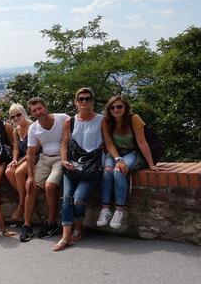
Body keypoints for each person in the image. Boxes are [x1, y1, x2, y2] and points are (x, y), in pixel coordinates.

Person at [97, 95, 161, 230]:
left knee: (119, 172)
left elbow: (142, 143)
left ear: (125, 107)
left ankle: (119, 210)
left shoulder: (134, 119)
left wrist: (151, 164)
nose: (116, 110)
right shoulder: (107, 121)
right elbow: (109, 144)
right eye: (112, 107)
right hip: (114, 153)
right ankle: (105, 209)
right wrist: (118, 159)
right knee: (106, 172)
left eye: (119, 106)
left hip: (131, 152)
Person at [53, 88, 104, 251]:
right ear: (76, 102)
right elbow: (64, 144)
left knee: (78, 199)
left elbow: (109, 142)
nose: (84, 102)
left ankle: (79, 227)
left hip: (91, 167)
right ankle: (66, 235)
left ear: (92, 101)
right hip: (73, 165)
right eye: (81, 99)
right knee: (66, 198)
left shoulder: (101, 120)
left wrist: (115, 159)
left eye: (87, 99)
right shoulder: (71, 121)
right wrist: (63, 160)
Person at [19, 97, 69, 243]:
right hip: (45, 158)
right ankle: (27, 225)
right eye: (34, 111)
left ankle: (51, 222)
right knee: (31, 187)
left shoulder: (63, 118)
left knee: (50, 186)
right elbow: (30, 153)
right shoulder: (34, 128)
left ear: (46, 108)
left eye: (39, 108)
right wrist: (30, 176)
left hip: (60, 158)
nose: (37, 112)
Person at [5, 103, 36, 221]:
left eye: (18, 115)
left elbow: (32, 150)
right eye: (13, 117)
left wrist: (19, 161)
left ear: (24, 113)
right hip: (22, 156)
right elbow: (16, 148)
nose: (16, 118)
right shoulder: (15, 130)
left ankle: (22, 203)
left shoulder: (33, 126)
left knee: (18, 172)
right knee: (8, 172)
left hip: (34, 156)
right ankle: (27, 196)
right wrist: (14, 159)